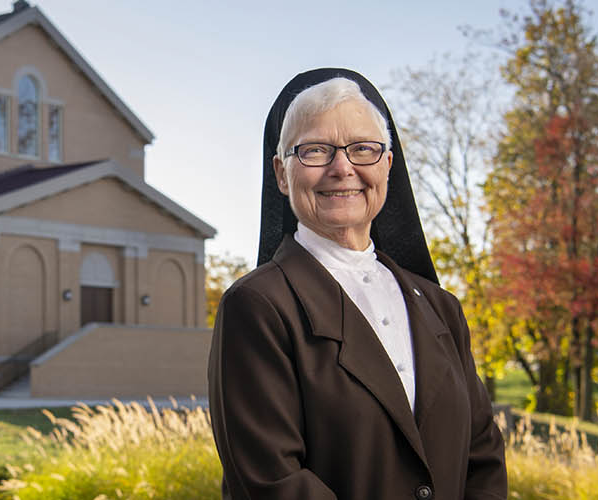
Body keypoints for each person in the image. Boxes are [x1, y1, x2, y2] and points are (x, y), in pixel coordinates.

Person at [207, 68, 507, 500]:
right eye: (315, 150)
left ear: (387, 165)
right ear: (281, 173)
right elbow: (273, 483)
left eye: (362, 149)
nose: (342, 168)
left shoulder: (442, 308)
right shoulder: (256, 306)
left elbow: (483, 459)